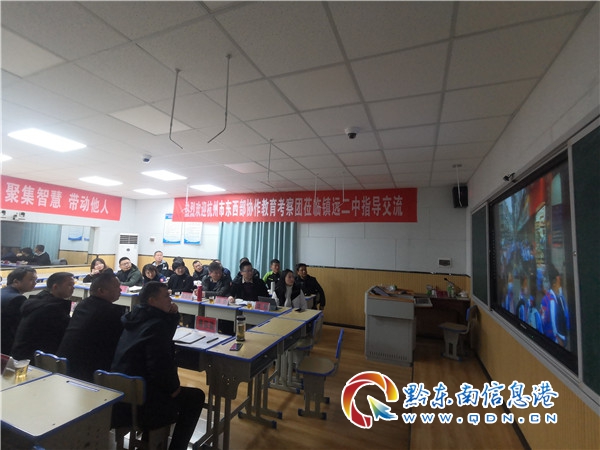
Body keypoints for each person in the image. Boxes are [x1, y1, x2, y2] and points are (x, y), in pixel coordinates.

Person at [111, 282, 205, 450]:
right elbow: (159, 367)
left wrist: (172, 315)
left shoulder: (134, 318)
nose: (170, 299)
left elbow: (162, 337)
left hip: (122, 396)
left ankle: (149, 439)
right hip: (145, 402)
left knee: (163, 386)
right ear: (152, 301)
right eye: (166, 296)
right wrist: (173, 389)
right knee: (195, 397)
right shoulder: (156, 325)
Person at [57, 272, 124, 382]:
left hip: (64, 365)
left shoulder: (82, 304)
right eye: (116, 287)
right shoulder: (111, 311)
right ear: (101, 291)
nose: (120, 290)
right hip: (87, 373)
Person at [11, 272, 75, 361]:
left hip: (20, 353)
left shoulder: (38, 300)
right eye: (69, 285)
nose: (73, 288)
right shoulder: (52, 308)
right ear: (55, 287)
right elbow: (67, 331)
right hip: (32, 359)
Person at [1, 266, 38, 355]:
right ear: (16, 282)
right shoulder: (18, 299)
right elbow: (21, 326)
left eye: (35, 280)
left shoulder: (3, 292)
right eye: (31, 279)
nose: (35, 283)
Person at [540, 263, 570, 347]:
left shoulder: (549, 297)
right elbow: (553, 322)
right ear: (554, 283)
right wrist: (558, 339)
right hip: (555, 339)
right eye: (559, 281)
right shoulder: (552, 300)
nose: (560, 283)